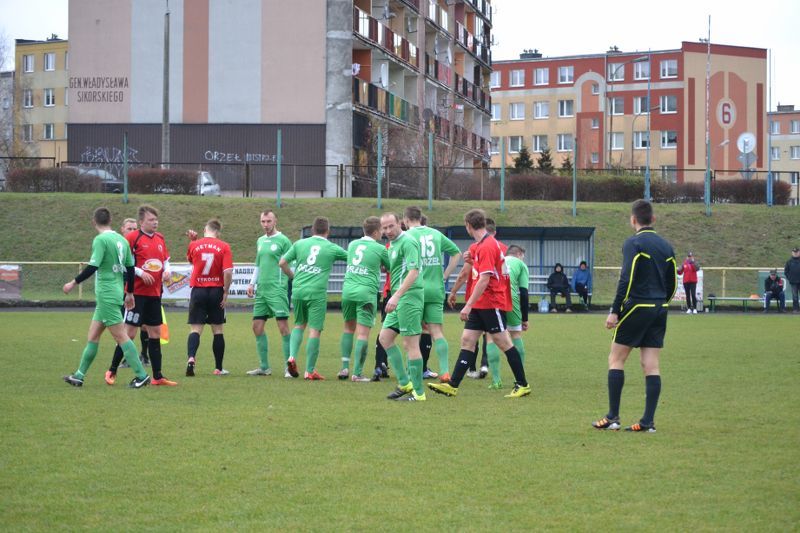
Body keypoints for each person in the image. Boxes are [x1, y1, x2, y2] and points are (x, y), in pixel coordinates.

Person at [592, 199, 676, 433]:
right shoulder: (666, 246)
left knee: (616, 359)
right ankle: (648, 422)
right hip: (660, 308)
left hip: (638, 306)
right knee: (651, 364)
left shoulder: (633, 243)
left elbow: (626, 278)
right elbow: (672, 281)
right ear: (654, 219)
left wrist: (615, 310)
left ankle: (612, 417)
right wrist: (662, 302)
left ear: (633, 220)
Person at [429, 208, 531, 399]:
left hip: (491, 302)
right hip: (480, 304)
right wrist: (470, 257)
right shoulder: (482, 244)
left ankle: (522, 384)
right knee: (467, 340)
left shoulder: (486, 246)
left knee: (505, 343)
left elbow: (484, 279)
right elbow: (477, 260)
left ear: (468, 225)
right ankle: (453, 385)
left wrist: (467, 305)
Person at [62, 207, 151, 388]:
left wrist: (73, 283)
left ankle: (141, 376)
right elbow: (130, 268)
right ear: (110, 220)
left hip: (107, 294)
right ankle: (79, 376)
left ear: (94, 222)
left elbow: (93, 266)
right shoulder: (121, 240)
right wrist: (130, 293)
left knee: (122, 337)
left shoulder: (101, 240)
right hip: (115, 292)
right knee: (93, 336)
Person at [105, 205, 175, 386]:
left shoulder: (160, 238)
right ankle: (112, 370)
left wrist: (167, 271)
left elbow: (166, 260)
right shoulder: (132, 238)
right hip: (136, 294)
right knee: (129, 333)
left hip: (154, 293)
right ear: (142, 222)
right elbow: (122, 262)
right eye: (151, 220)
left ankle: (158, 376)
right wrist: (139, 272)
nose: (155, 223)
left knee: (155, 332)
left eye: (156, 219)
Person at [279, 216, 348, 380]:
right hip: (316, 293)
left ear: (312, 230)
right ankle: (309, 371)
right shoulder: (331, 248)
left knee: (299, 325)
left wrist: (293, 276)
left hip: (298, 290)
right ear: (328, 231)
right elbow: (352, 258)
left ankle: (292, 357)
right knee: (315, 330)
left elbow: (282, 263)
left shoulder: (299, 244)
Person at [403, 206, 462, 383]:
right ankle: (444, 372)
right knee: (437, 332)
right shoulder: (435, 234)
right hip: (435, 288)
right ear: (420, 218)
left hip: (415, 289)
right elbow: (456, 253)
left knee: (413, 334)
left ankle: (410, 373)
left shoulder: (406, 236)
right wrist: (445, 275)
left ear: (406, 220)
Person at [379, 213, 426, 402]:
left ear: (400, 224)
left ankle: (419, 393)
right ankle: (405, 383)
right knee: (385, 338)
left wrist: (397, 295)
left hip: (409, 297)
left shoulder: (408, 241)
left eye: (391, 226)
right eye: (384, 228)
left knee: (410, 344)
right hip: (398, 298)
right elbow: (399, 269)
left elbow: (414, 271)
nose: (388, 231)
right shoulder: (392, 245)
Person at [338, 216, 390, 381]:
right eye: (382, 229)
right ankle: (357, 373)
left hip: (347, 291)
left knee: (348, 329)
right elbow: (390, 267)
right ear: (376, 232)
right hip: (366, 293)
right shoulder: (380, 249)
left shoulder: (353, 245)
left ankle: (344, 368)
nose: (383, 232)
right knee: (362, 334)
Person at [246, 210, 293, 377]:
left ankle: (289, 366)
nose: (265, 224)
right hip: (262, 291)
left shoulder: (284, 241)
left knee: (283, 327)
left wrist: (290, 280)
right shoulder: (260, 241)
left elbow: (290, 263)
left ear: (275, 221)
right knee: (256, 327)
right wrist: (252, 283)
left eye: (268, 221)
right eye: (263, 221)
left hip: (277, 289)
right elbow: (258, 264)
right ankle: (264, 367)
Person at [184, 219, 234, 376]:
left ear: (205, 229)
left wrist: (193, 241)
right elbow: (228, 272)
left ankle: (191, 358)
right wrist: (225, 291)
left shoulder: (194, 245)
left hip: (198, 290)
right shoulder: (224, 246)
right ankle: (218, 368)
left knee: (195, 329)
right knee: (217, 330)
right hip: (216, 291)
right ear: (218, 232)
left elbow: (191, 260)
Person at [116, 218, 150, 369]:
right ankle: (126, 358)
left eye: (134, 229)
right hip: (123, 289)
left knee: (145, 325)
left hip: (140, 289)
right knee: (127, 327)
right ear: (122, 229)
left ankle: (144, 355)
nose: (132, 231)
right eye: (129, 228)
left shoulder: (138, 245)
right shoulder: (119, 246)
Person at [784, 247, 800, 313]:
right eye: (794, 252)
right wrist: (790, 278)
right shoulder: (789, 262)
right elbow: (786, 271)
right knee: (795, 296)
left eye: (797, 252)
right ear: (792, 253)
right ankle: (795, 309)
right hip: (793, 282)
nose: (795, 253)